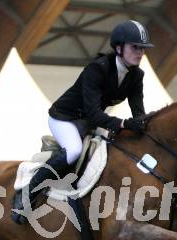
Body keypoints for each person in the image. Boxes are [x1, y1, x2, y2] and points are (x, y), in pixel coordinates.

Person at [12, 20, 154, 224]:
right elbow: (95, 113)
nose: (140, 53)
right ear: (119, 47)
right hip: (65, 118)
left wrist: (144, 126)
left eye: (142, 48)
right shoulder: (97, 69)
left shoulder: (136, 75)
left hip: (88, 123)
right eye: (135, 47)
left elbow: (139, 112)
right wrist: (123, 124)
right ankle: (26, 195)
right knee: (74, 151)